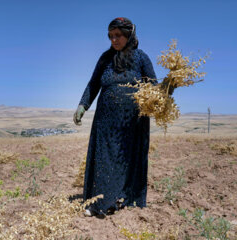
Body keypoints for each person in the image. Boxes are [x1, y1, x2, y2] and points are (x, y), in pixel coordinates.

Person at [73, 17, 173, 217]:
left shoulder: (141, 58)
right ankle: (98, 202)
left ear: (129, 35)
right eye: (110, 36)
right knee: (104, 158)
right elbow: (94, 84)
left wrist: (169, 86)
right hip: (105, 119)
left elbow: (153, 87)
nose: (114, 40)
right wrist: (82, 105)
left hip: (132, 121)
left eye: (118, 35)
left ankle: (123, 198)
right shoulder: (104, 58)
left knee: (127, 158)